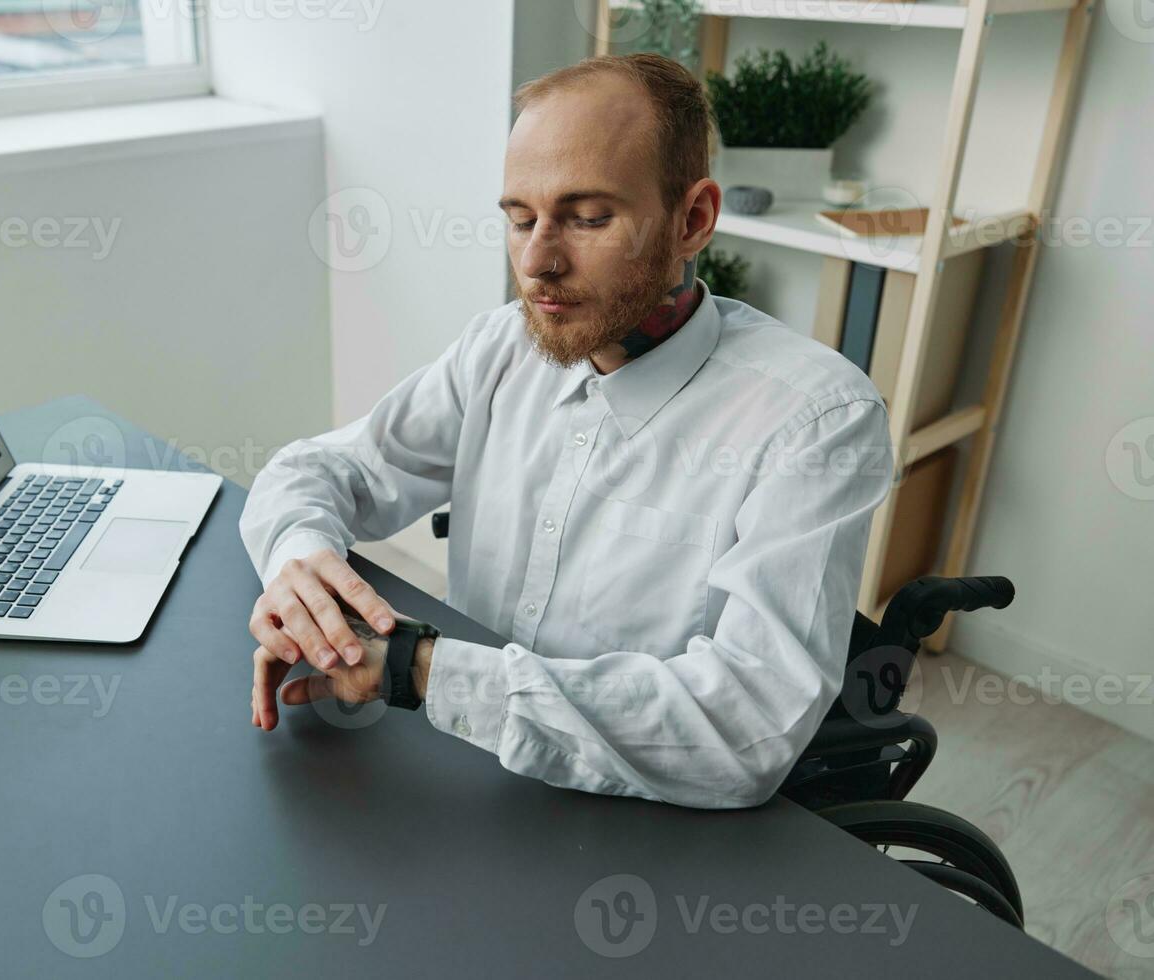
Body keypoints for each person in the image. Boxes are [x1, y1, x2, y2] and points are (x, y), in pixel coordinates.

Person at [239, 53, 893, 808]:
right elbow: (316, 472)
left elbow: (743, 728)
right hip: (475, 779)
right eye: (520, 219)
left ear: (693, 220)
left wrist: (414, 669)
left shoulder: (816, 421)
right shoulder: (501, 348)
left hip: (659, 829)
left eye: (588, 219)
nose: (538, 262)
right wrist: (303, 572)